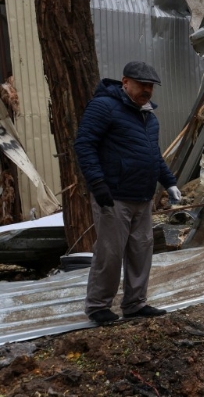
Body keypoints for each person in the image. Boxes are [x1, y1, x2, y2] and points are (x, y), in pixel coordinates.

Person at [74, 61, 180, 324]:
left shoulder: (148, 116)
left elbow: (154, 155)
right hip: (114, 195)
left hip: (142, 196)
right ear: (125, 82)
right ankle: (98, 306)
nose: (147, 90)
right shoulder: (104, 106)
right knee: (110, 253)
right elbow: (84, 145)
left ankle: (134, 303)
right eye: (142, 84)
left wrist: (170, 182)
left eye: (150, 86)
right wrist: (97, 184)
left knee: (141, 251)